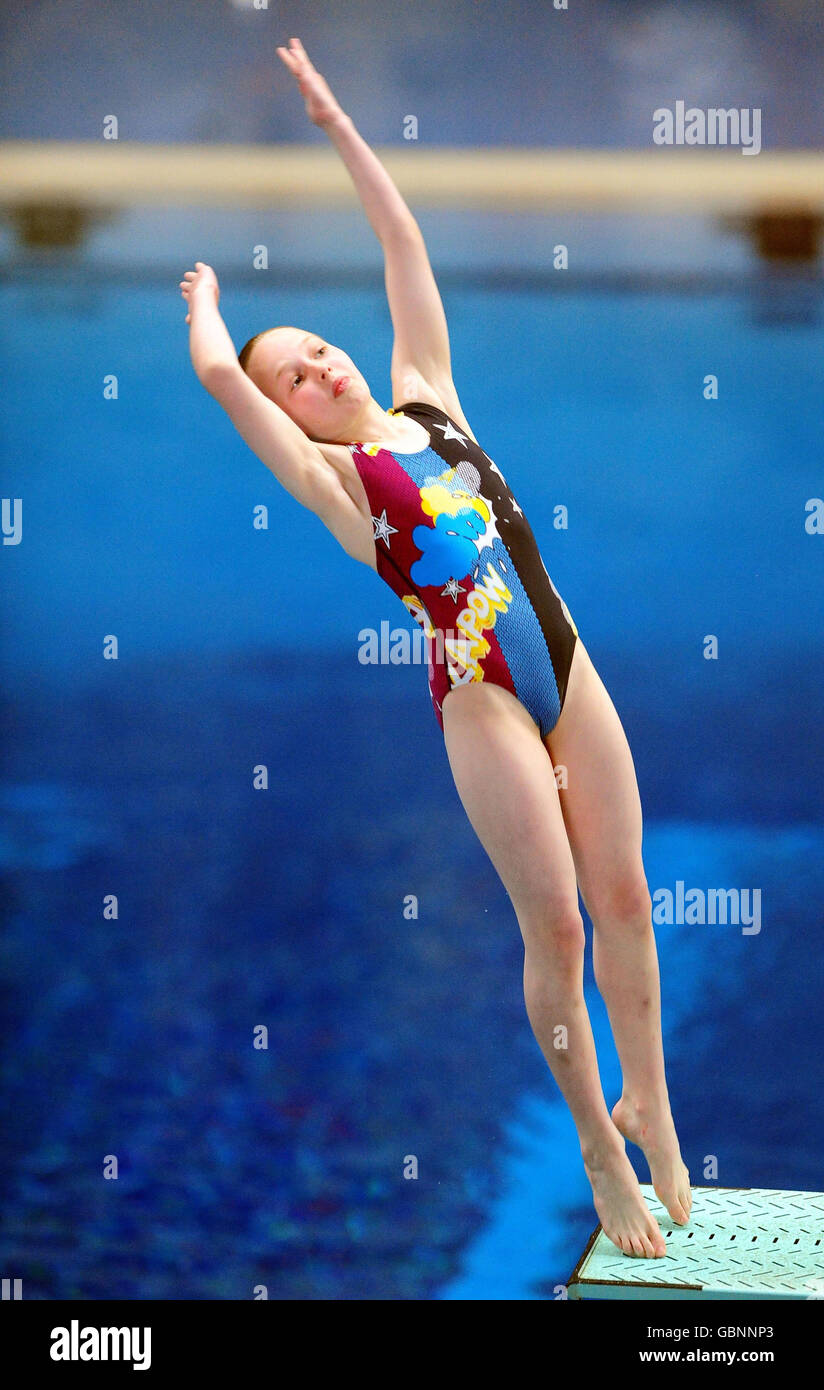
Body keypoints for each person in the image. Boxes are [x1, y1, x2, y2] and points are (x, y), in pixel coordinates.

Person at [180, 36, 691, 1260]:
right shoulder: (337, 484)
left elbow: (400, 243)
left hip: (568, 663)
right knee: (557, 928)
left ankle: (654, 1105)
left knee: (626, 895)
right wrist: (210, 309)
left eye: (312, 347)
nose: (314, 365)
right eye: (293, 374)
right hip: (481, 699)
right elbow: (219, 377)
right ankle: (593, 1146)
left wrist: (337, 124)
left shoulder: (428, 395)